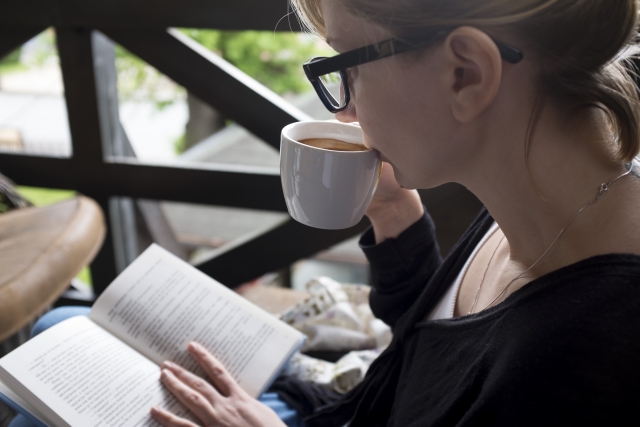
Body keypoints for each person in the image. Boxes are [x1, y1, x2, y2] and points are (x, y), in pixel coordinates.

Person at [9, 0, 640, 425]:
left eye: (345, 66)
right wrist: (396, 221)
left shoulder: (583, 358)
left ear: (465, 73)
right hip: (346, 403)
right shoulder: (548, 187)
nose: (343, 112)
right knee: (59, 327)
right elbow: (442, 355)